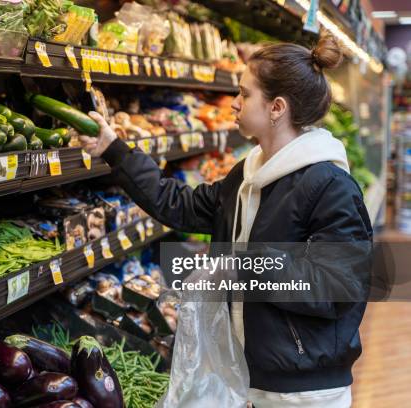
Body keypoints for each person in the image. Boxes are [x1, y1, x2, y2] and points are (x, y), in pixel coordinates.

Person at [78, 33, 373, 408]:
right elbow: (178, 205)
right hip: (249, 376)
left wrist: (243, 265)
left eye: (245, 94)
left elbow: (335, 286)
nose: (234, 103)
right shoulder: (246, 176)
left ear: (276, 107)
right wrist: (114, 150)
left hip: (304, 391)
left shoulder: (330, 186)